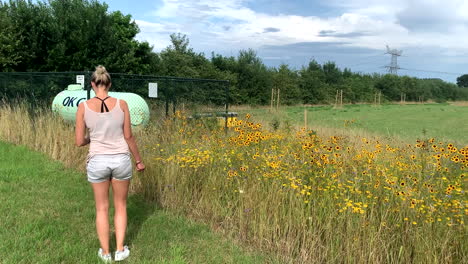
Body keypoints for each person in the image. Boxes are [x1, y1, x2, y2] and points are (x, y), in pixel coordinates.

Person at [75, 65, 145, 262]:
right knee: (121, 206)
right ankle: (120, 250)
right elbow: (129, 136)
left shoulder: (84, 107)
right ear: (110, 84)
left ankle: (106, 253)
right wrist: (138, 161)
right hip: (121, 159)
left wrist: (92, 139)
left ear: (92, 84)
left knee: (101, 208)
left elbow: (79, 141)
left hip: (97, 161)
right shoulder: (122, 104)